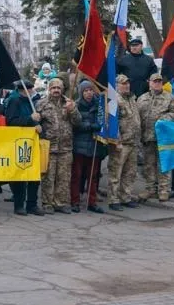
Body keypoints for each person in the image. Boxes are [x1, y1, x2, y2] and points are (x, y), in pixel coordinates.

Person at [35, 78, 79, 214]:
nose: (56, 90)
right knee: (48, 177)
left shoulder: (69, 103)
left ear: (62, 90)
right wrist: (35, 123)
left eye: (58, 88)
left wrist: (72, 111)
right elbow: (36, 121)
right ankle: (47, 203)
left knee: (64, 177)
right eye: (53, 88)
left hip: (65, 148)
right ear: (49, 89)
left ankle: (61, 202)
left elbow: (78, 122)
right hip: (49, 147)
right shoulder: (42, 104)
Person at [136, 72, 174, 203]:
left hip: (163, 138)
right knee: (149, 164)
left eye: (159, 81)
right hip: (147, 137)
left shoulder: (170, 98)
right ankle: (150, 189)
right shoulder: (142, 98)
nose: (157, 83)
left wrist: (164, 118)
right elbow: (136, 116)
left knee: (163, 164)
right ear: (149, 83)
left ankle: (163, 190)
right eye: (155, 81)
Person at [6, 81, 43, 216]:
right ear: (23, 90)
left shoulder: (33, 102)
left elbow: (36, 121)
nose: (31, 91)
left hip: (33, 141)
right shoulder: (14, 101)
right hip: (20, 143)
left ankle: (32, 204)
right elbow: (11, 121)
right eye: (29, 89)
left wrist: (38, 124)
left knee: (34, 175)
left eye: (31, 89)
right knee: (21, 175)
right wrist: (29, 119)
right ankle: (19, 205)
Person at [107, 75, 142, 210]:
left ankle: (125, 197)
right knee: (116, 172)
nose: (126, 85)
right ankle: (113, 199)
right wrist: (116, 141)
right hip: (120, 143)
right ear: (116, 85)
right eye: (123, 83)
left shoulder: (132, 98)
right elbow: (112, 122)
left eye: (128, 83)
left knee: (130, 172)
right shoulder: (114, 100)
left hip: (133, 142)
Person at [71, 81, 104, 214]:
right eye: (85, 91)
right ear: (81, 92)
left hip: (94, 144)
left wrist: (99, 125)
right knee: (77, 175)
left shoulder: (99, 106)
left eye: (91, 90)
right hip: (79, 146)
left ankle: (92, 202)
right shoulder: (76, 105)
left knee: (93, 175)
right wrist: (90, 126)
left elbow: (102, 121)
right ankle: (75, 201)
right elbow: (76, 124)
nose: (89, 93)